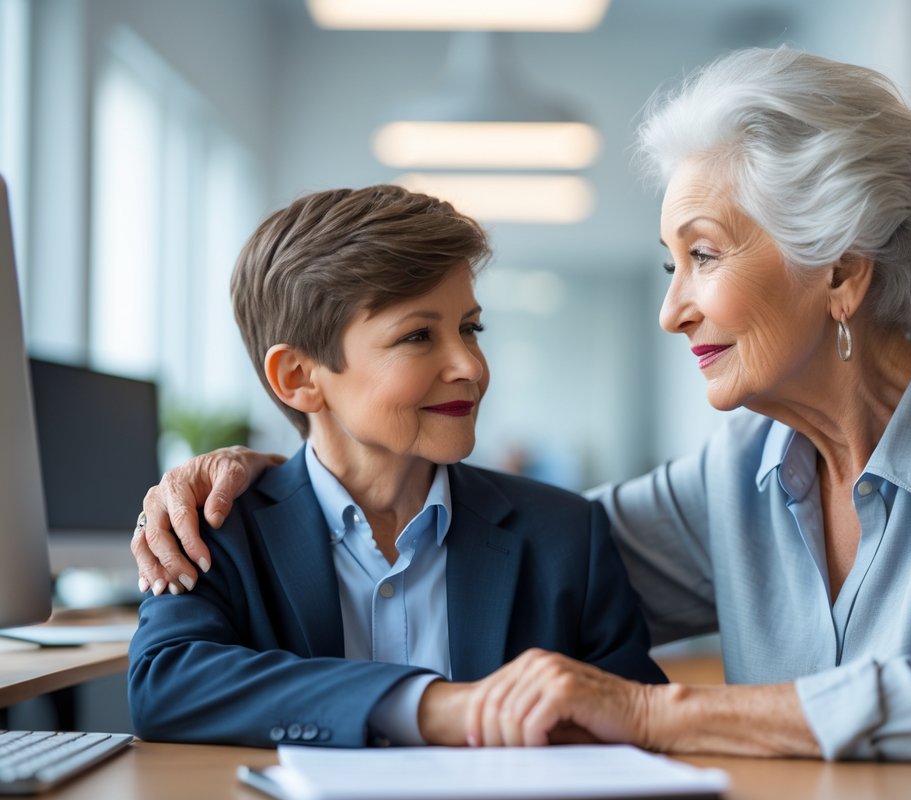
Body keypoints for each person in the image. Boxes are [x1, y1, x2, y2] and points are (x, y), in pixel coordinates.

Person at [130, 48, 911, 768]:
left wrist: (649, 709)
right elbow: (496, 546)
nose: (673, 309)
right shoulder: (740, 470)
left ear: (841, 274)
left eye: (704, 256)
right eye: (668, 262)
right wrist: (272, 476)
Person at [126, 185, 664, 749]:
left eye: (470, 328)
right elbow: (164, 686)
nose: (469, 366)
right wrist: (431, 707)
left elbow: (636, 713)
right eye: (417, 336)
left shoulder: (564, 534)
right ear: (299, 378)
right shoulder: (218, 530)